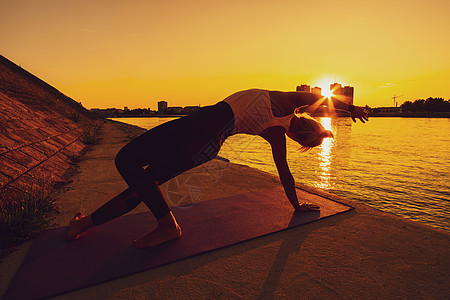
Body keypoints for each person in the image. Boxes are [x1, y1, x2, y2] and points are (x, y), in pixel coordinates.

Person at [67, 89, 369, 248]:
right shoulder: (276, 133)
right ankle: (84, 224)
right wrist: (296, 205)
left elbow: (319, 97)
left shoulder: (286, 103)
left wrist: (351, 108)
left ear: (308, 121)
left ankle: (167, 225)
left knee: (126, 160)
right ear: (299, 137)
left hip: (203, 128)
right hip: (207, 148)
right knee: (145, 182)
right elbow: (285, 174)